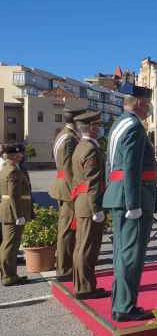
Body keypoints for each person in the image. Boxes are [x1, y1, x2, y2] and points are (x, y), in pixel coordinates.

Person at [103, 92, 157, 322]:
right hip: (132, 197)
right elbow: (131, 167)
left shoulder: (118, 123)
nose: (150, 109)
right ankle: (125, 306)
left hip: (118, 195)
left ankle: (120, 303)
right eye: (148, 105)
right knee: (131, 254)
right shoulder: (134, 126)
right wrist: (134, 204)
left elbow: (110, 165)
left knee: (122, 252)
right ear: (138, 103)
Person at [70, 111, 109, 299]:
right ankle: (86, 288)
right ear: (92, 128)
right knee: (88, 247)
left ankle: (82, 284)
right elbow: (92, 181)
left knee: (81, 246)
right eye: (98, 125)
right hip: (89, 203)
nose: (100, 128)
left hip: (82, 201)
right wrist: (96, 209)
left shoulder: (81, 146)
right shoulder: (91, 149)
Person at [49, 108, 81, 279]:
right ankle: (65, 268)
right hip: (68, 189)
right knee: (68, 229)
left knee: (67, 228)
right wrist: (75, 192)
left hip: (62, 186)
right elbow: (69, 169)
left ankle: (65, 265)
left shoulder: (63, 134)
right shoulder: (69, 139)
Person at [0, 144, 32, 286]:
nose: (21, 156)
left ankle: (10, 274)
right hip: (13, 212)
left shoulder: (9, 168)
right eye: (17, 154)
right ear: (11, 156)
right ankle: (8, 276)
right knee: (10, 245)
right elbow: (13, 195)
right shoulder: (12, 170)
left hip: (11, 211)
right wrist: (18, 215)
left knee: (10, 244)